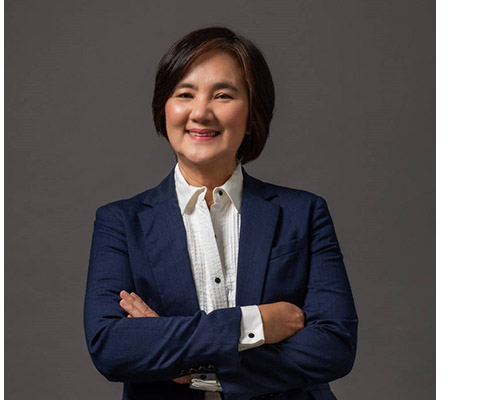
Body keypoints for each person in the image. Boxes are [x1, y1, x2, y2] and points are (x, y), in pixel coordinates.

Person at [84, 27, 358, 400]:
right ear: (164, 108)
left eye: (223, 95)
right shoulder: (120, 222)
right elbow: (111, 346)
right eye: (185, 94)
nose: (200, 112)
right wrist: (255, 322)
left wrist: (186, 364)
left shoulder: (304, 213)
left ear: (252, 114)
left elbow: (334, 346)